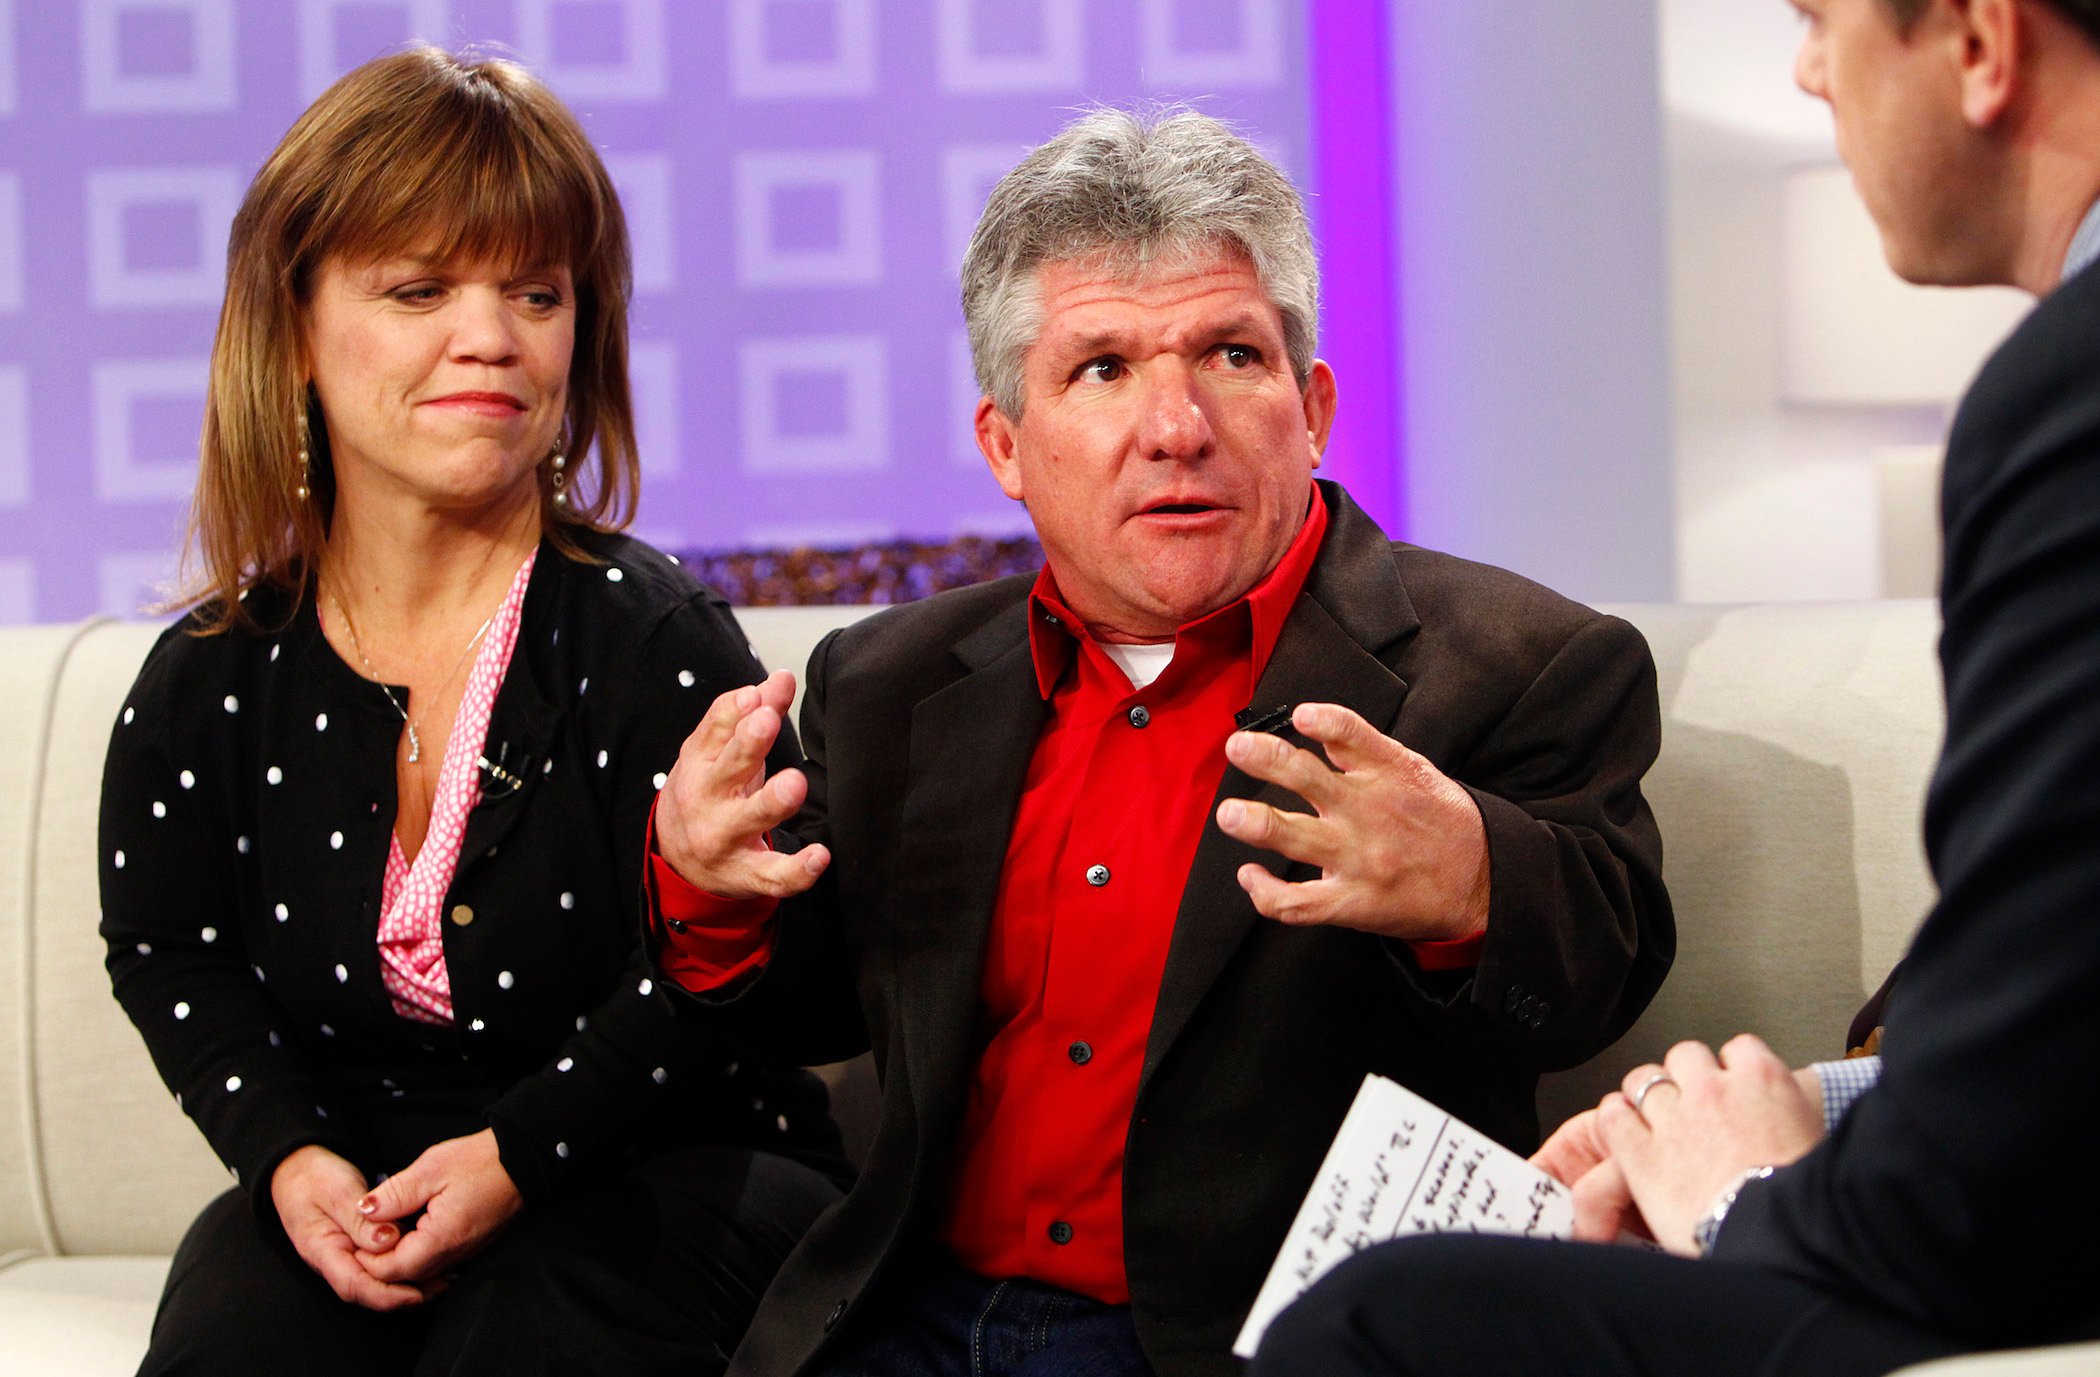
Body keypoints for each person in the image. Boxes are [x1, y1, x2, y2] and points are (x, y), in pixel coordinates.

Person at [647, 108, 1674, 1377]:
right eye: (1103, 369)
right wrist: (708, 891)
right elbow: (816, 1011)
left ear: (1313, 406)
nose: (1177, 425)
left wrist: (1472, 882)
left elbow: (1594, 985)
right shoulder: (886, 680)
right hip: (907, 1316)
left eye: (1231, 354)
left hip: (1247, 1340)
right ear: (1006, 447)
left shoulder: (1520, 662)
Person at [1250, 1, 2100, 1372]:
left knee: (1382, 1325)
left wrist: (1750, 1203)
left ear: (1982, 43)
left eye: (1822, 21)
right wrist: (1803, 1113)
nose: (1806, 71)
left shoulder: (2067, 398)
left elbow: (2000, 1143)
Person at [99, 48, 846, 1377]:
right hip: (364, 1166)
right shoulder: (210, 676)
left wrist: (518, 1154)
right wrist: (285, 1152)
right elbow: (169, 948)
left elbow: (755, 992)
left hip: (666, 1151)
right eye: (420, 289)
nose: (490, 337)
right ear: (299, 330)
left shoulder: (653, 638)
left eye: (535, 292)